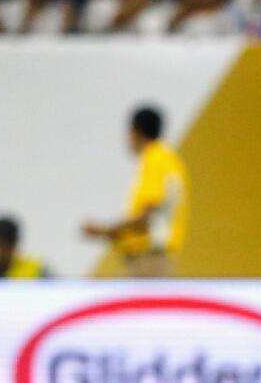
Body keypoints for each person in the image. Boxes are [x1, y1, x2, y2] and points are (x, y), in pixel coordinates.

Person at [81, 107, 189, 278]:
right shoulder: (169, 159)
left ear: (135, 131)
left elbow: (145, 219)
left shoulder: (154, 160)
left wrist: (105, 230)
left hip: (148, 261)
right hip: (154, 259)